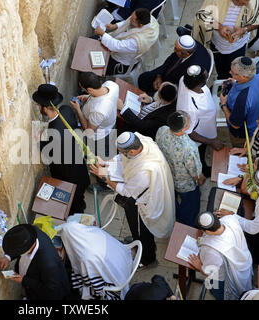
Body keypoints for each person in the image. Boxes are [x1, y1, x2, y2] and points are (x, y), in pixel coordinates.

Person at [89, 131, 175, 266]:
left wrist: (104, 177)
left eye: (123, 152)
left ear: (133, 152)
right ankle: (136, 241)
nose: (121, 154)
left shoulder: (144, 171)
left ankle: (148, 259)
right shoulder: (141, 141)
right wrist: (106, 164)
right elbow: (121, 159)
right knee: (136, 230)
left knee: (142, 231)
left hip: (142, 203)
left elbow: (126, 191)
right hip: (138, 192)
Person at [33, 84, 90, 214]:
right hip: (79, 169)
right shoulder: (66, 110)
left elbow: (49, 154)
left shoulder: (56, 134)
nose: (38, 107)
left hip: (69, 178)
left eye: (39, 105)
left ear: (45, 108)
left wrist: (39, 141)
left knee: (73, 209)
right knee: (79, 200)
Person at [57, 221, 134, 300]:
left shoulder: (87, 258)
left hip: (118, 280)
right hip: (124, 260)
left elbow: (91, 282)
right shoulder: (94, 231)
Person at [192, 0, 259, 79]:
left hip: (239, 46)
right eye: (242, 2)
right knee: (221, 71)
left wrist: (244, 30)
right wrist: (219, 27)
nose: (247, 4)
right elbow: (202, 16)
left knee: (236, 72)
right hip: (217, 45)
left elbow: (258, 20)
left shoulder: (251, 1)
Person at [0, 224, 71, 300]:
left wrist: (24, 280)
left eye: (16, 251)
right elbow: (19, 244)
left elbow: (51, 291)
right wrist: (7, 257)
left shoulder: (48, 264)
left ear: (26, 249)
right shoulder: (29, 234)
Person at [188, 211, 253, 300]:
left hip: (220, 279)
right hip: (243, 263)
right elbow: (233, 215)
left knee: (216, 290)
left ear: (207, 231)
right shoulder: (229, 219)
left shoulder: (212, 251)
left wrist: (199, 266)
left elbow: (209, 272)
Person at [156, 111, 204, 227]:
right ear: (184, 129)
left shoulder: (162, 130)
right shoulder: (189, 147)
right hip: (185, 184)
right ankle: (186, 226)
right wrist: (200, 179)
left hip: (168, 176)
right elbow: (195, 173)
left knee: (173, 202)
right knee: (190, 208)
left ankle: (175, 217)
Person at [177, 65, 224, 178]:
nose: (207, 72)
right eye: (205, 74)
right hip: (199, 136)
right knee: (200, 153)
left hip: (206, 126)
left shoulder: (184, 79)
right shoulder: (190, 107)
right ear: (200, 83)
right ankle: (203, 170)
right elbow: (190, 132)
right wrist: (211, 142)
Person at [137, 35, 211, 96]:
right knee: (143, 78)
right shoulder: (189, 45)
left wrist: (163, 87)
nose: (174, 50)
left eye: (176, 49)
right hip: (166, 75)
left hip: (175, 87)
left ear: (186, 54)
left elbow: (183, 89)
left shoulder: (193, 70)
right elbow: (170, 60)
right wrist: (158, 76)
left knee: (149, 96)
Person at [220, 56, 259, 148]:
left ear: (243, 76)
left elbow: (235, 125)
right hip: (255, 118)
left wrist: (223, 104)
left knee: (240, 151)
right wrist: (236, 81)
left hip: (242, 133)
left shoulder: (242, 100)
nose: (230, 73)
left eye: (233, 73)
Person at [94, 8, 159, 75]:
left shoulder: (137, 42)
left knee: (92, 67)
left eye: (132, 19)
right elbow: (127, 22)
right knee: (92, 41)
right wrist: (114, 26)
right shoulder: (149, 18)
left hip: (118, 61)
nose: (130, 19)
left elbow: (116, 46)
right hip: (116, 43)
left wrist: (103, 34)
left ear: (140, 25)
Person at [70, 72, 119, 161]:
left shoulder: (99, 110)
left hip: (100, 136)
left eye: (83, 88)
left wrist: (78, 109)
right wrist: (88, 96)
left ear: (90, 89)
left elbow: (88, 131)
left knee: (96, 155)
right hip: (110, 123)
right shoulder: (112, 85)